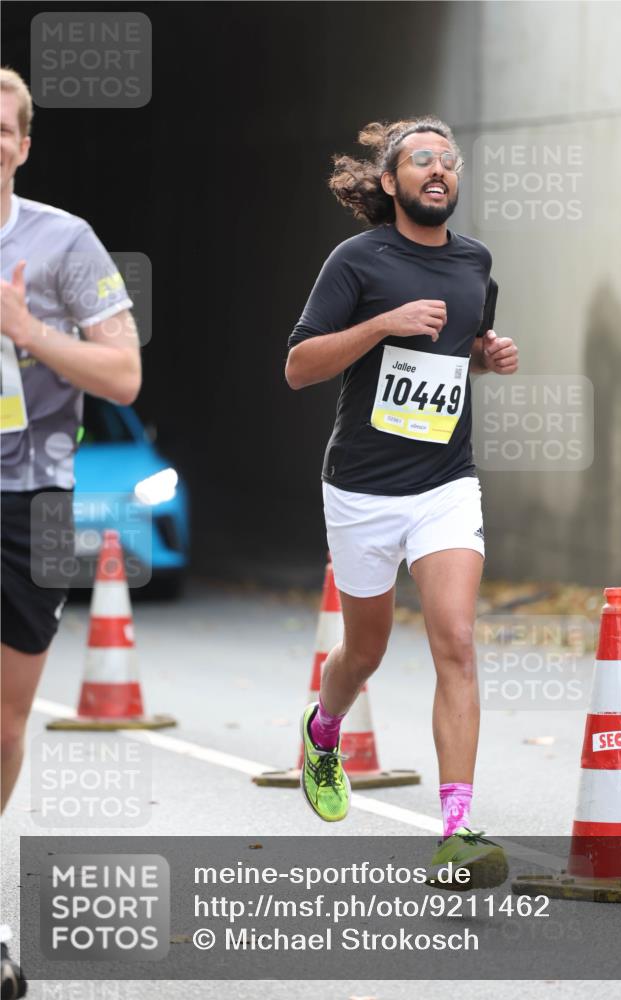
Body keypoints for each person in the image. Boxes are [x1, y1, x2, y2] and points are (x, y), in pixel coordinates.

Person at [285, 118, 518, 885]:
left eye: (448, 159)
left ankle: (455, 833)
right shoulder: (356, 260)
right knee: (365, 652)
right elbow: (299, 366)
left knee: (454, 638)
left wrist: (488, 356)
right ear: (389, 182)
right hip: (360, 488)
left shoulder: (475, 263)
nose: (438, 169)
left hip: (446, 483)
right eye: (421, 159)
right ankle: (323, 732)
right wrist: (382, 323)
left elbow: (460, 354)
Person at [0, 67, 141, 996]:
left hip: (33, 499)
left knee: (5, 716)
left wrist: (24, 329)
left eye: (3, 129)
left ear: (22, 142)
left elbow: (123, 376)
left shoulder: (66, 241)